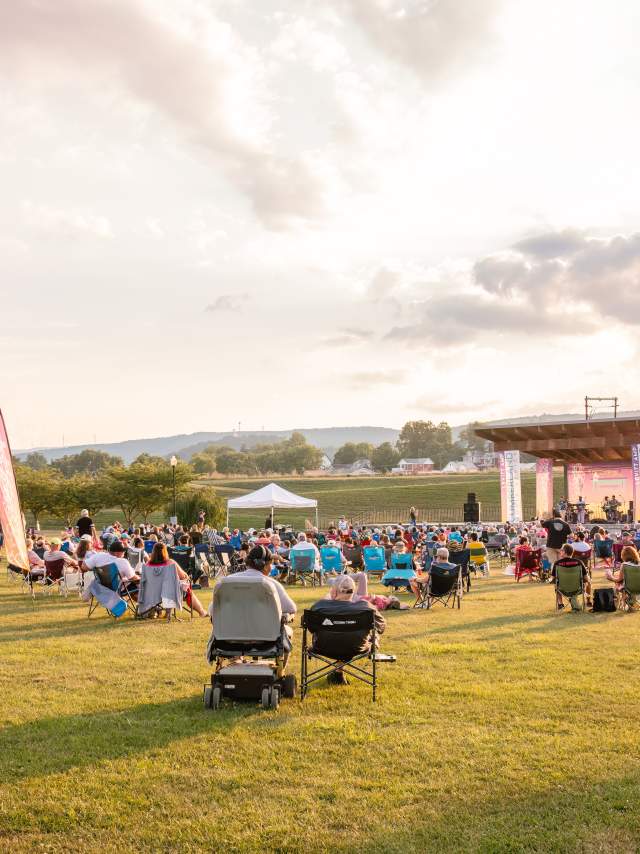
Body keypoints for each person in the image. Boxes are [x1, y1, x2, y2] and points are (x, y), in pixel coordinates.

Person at [214, 545, 297, 667]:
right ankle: (280, 670)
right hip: (267, 639)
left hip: (229, 638)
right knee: (287, 629)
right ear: (265, 565)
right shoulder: (271, 584)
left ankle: (235, 659)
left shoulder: (226, 583)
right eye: (270, 564)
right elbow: (291, 609)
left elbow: (212, 610)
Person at [310, 575, 385, 684]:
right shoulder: (366, 608)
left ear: (334, 591)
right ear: (353, 592)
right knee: (367, 635)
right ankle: (338, 673)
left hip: (323, 647)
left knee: (340, 637)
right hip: (357, 647)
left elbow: (311, 628)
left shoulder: (319, 607)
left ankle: (338, 674)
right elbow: (381, 625)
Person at [146, 543, 207, 619]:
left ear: (153, 552)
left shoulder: (148, 564)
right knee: (188, 592)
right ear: (165, 552)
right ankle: (202, 612)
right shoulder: (170, 563)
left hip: (153, 594)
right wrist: (186, 576)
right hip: (170, 594)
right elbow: (183, 576)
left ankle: (163, 612)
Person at [551, 544, 592, 610]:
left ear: (564, 552)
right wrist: (587, 581)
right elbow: (586, 578)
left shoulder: (557, 563)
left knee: (556, 583)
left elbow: (553, 579)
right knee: (588, 580)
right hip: (578, 589)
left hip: (562, 590)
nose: (560, 551)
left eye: (561, 550)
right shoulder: (579, 562)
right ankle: (588, 601)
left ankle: (560, 604)